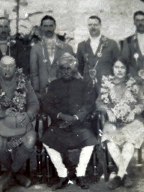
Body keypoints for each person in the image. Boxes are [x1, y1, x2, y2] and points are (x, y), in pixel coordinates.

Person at [40, 53, 97, 190]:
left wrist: (76, 117)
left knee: (90, 141)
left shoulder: (83, 85)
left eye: (69, 68)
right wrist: (61, 115)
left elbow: (89, 105)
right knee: (47, 141)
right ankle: (62, 175)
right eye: (63, 68)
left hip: (78, 124)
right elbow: (47, 105)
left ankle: (80, 174)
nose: (66, 71)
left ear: (74, 69)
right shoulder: (53, 85)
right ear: (60, 70)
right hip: (59, 123)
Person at [0, 56, 39, 192]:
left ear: (15, 67)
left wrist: (29, 114)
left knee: (31, 139)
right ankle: (17, 175)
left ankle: (9, 176)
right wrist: (1, 113)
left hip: (22, 123)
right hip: (1, 124)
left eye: (11, 66)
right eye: (4, 66)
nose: (7, 69)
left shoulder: (24, 81)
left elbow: (34, 103)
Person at [96, 57, 144, 190]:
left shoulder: (133, 84)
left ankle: (118, 177)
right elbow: (98, 103)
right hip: (114, 122)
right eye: (116, 67)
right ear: (112, 69)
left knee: (129, 141)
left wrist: (134, 112)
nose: (119, 70)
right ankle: (124, 175)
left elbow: (143, 103)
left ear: (126, 69)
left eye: (122, 67)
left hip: (131, 122)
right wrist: (108, 111)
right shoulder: (107, 84)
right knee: (110, 140)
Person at [30, 15, 75, 98]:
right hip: (43, 93)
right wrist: (36, 92)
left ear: (55, 26)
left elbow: (71, 71)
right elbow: (34, 73)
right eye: (45, 26)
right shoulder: (36, 49)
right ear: (41, 28)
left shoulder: (66, 47)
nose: (48, 29)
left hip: (62, 91)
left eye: (51, 26)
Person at [76, 15, 120, 88]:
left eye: (95, 25)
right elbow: (79, 67)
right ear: (87, 26)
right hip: (87, 85)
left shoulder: (111, 43)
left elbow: (116, 64)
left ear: (100, 26)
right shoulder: (82, 45)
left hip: (106, 85)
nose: (92, 27)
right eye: (90, 25)